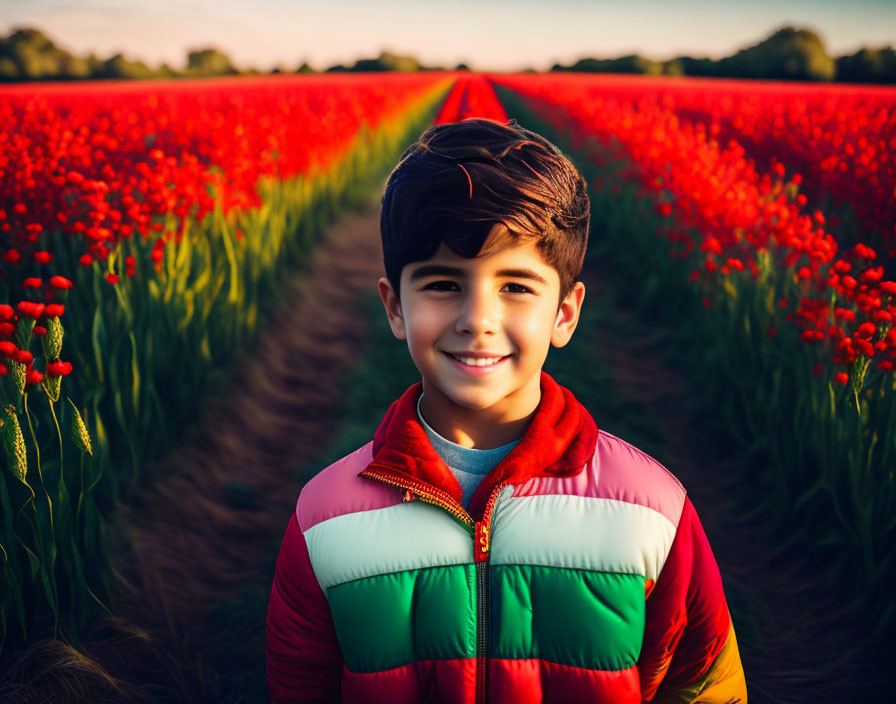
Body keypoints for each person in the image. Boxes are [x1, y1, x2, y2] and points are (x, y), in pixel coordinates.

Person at [265, 117, 747, 703]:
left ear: (565, 313)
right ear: (395, 308)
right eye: (443, 285)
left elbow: (701, 686)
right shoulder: (325, 520)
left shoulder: (651, 510)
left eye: (516, 287)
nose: (478, 319)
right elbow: (299, 686)